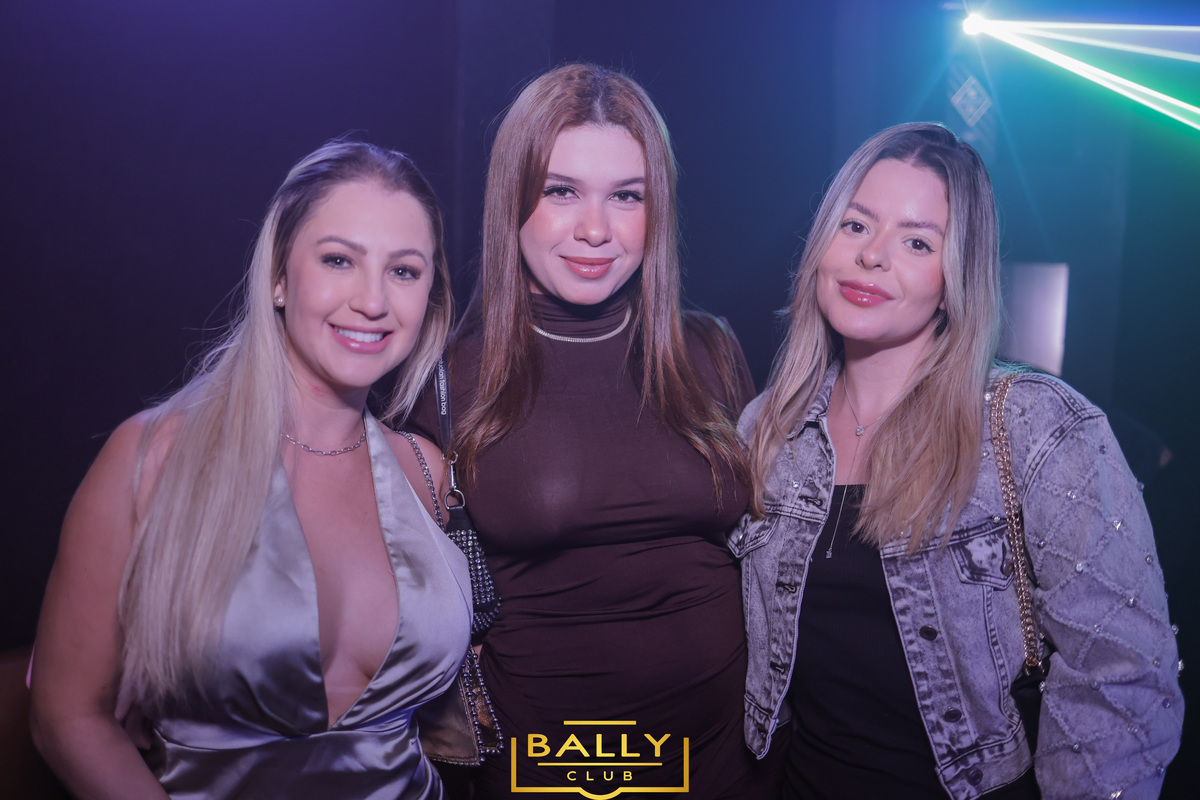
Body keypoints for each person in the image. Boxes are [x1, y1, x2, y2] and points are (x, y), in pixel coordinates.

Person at [733, 122, 1184, 799]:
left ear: (953, 281)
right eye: (855, 226)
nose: (872, 256)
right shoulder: (768, 429)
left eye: (917, 241)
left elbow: (1121, 680)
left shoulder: (1034, 424)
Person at [29, 141, 472, 799]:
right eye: (339, 260)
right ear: (278, 276)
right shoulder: (154, 458)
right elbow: (66, 717)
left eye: (404, 271)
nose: (373, 300)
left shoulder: (426, 471)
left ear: (430, 296)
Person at [407, 63, 781, 798]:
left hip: (730, 766)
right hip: (546, 773)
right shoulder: (449, 377)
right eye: (561, 191)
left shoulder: (710, 349)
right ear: (512, 199)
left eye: (626, 196)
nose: (595, 229)